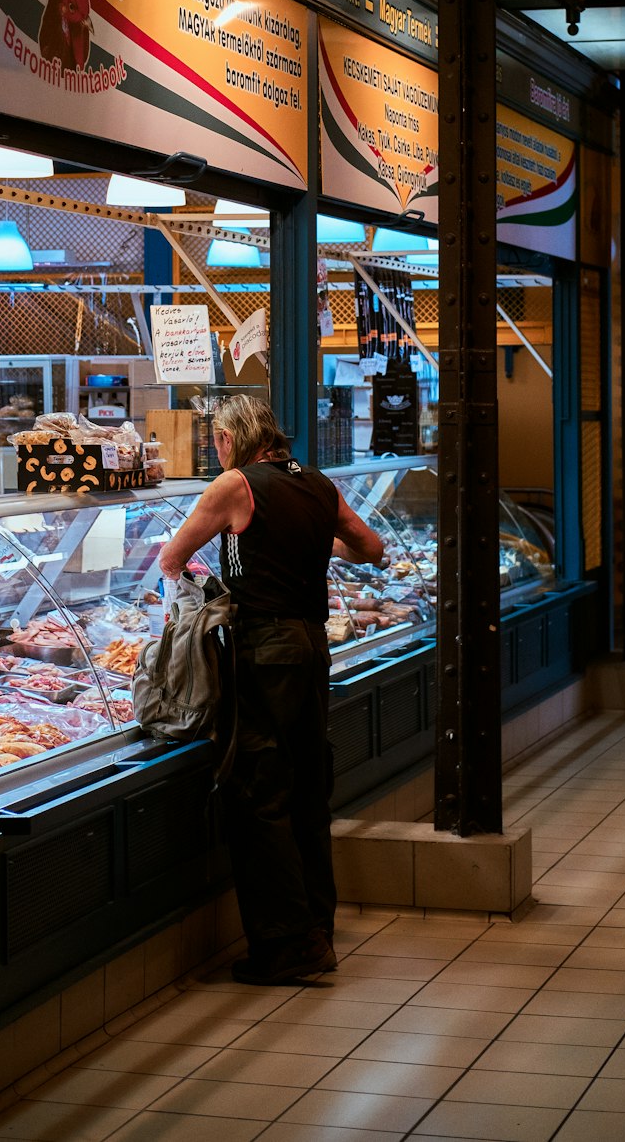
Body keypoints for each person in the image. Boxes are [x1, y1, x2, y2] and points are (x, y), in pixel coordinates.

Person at [158, 393, 384, 985]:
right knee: (308, 788)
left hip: (265, 650)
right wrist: (312, 548)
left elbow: (172, 557)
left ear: (229, 440)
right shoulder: (318, 484)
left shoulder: (235, 485)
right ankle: (318, 928)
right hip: (313, 648)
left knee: (260, 791)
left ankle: (290, 945)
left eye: (216, 443)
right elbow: (372, 548)